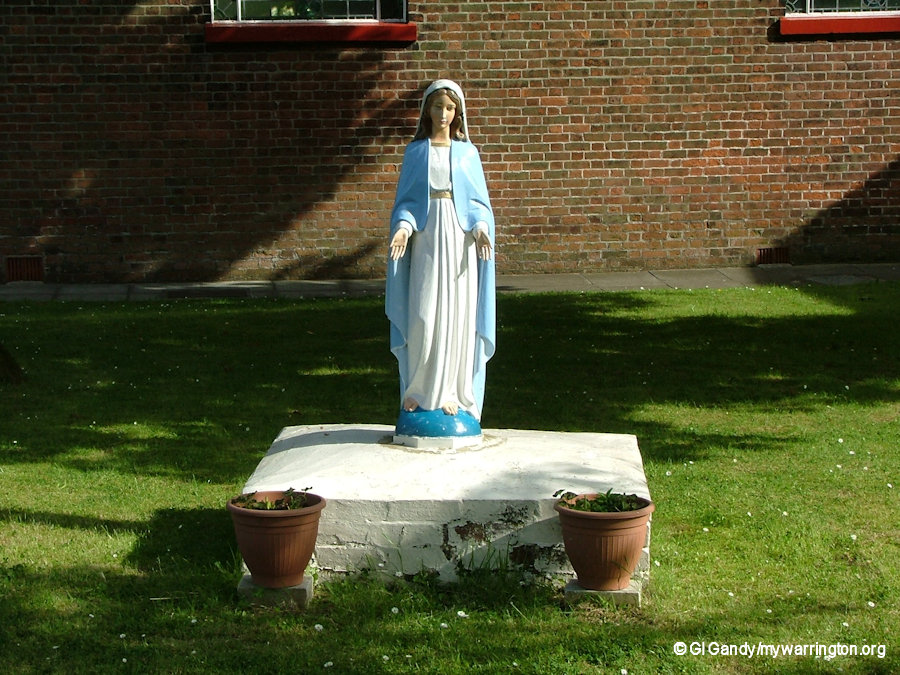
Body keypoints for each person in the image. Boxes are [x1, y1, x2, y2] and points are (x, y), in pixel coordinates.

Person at [385, 80, 496, 426]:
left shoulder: (467, 154)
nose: (444, 114)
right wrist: (403, 227)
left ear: (457, 113)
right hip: (427, 238)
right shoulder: (416, 153)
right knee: (424, 312)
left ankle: (452, 392)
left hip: (460, 240)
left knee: (456, 313)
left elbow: (478, 203)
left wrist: (481, 228)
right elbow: (406, 201)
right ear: (427, 110)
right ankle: (419, 390)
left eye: (450, 108)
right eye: (438, 107)